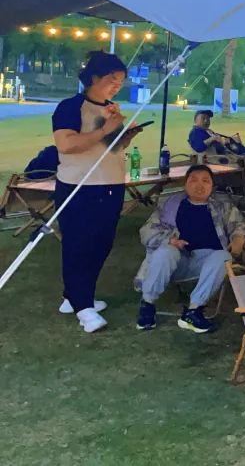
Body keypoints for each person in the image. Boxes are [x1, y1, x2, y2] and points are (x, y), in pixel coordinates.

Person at [51, 51, 144, 332]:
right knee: (78, 246)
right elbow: (66, 144)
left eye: (121, 81)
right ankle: (84, 309)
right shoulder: (71, 107)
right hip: (79, 187)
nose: (117, 85)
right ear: (93, 77)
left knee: (102, 244)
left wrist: (124, 136)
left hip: (111, 185)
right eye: (112, 79)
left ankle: (75, 297)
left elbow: (111, 148)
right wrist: (106, 130)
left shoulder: (111, 110)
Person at [134, 165, 245, 333]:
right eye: (193, 180)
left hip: (207, 262)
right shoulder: (170, 205)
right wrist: (170, 240)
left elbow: (240, 226)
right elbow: (146, 232)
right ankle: (147, 306)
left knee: (223, 256)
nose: (199, 185)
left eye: (205, 181)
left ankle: (193, 311)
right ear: (185, 184)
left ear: (212, 185)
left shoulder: (222, 206)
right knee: (167, 251)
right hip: (175, 261)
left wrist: (239, 238)